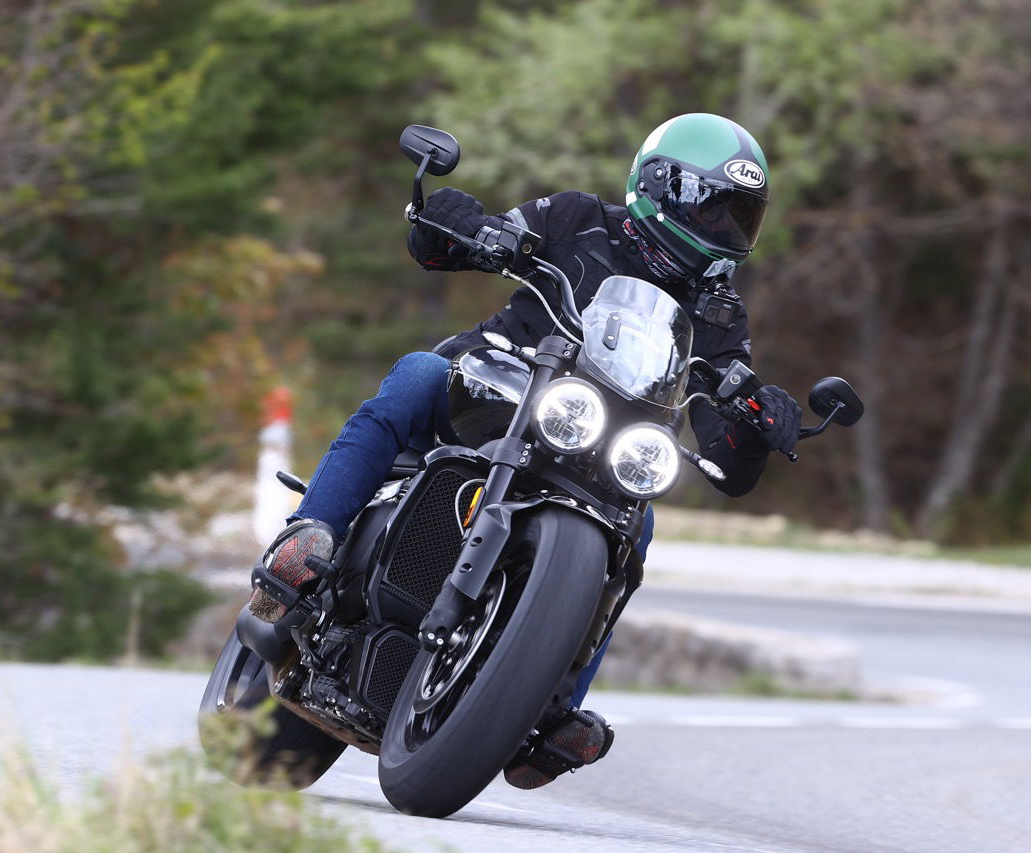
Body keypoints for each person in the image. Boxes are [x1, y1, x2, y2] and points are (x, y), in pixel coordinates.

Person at [247, 113, 802, 789]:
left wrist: (756, 418)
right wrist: (460, 223)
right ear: (661, 187)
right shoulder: (577, 218)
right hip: (493, 386)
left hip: (596, 450)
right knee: (418, 373)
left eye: (740, 216)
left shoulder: (718, 314)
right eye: (714, 208)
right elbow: (452, 244)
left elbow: (726, 459)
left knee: (641, 522)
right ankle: (308, 541)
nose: (725, 230)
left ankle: (548, 708)